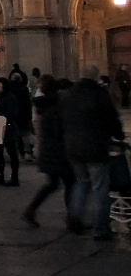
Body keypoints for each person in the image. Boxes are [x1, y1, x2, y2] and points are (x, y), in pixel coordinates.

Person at [59, 65, 124, 241]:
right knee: (99, 188)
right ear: (96, 77)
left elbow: (61, 119)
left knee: (81, 183)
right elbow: (112, 119)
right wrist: (119, 135)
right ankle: (100, 228)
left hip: (73, 147)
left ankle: (74, 218)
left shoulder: (69, 95)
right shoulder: (100, 95)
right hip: (95, 148)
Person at [23, 77, 74, 228]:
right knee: (69, 183)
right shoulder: (56, 107)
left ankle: (31, 209)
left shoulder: (45, 105)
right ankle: (72, 218)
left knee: (54, 184)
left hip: (48, 151)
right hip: (59, 152)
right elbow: (61, 130)